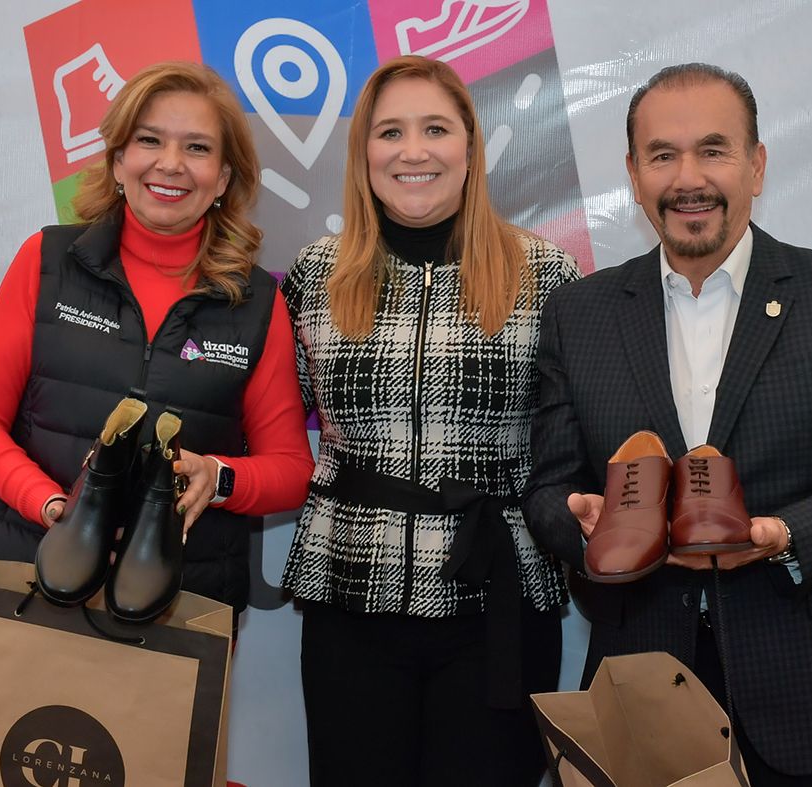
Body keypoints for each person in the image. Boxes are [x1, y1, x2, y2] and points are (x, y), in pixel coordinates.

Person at [523, 63, 812, 786]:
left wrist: (784, 534)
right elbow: (548, 488)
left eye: (713, 150)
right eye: (662, 155)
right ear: (634, 175)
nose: (688, 178)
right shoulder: (579, 313)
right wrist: (585, 525)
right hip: (646, 698)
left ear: (757, 165)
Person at [279, 55, 580, 787]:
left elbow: (571, 448)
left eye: (436, 129)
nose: (413, 151)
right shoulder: (315, 274)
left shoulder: (546, 275)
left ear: (471, 147)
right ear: (364, 153)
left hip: (500, 605)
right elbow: (272, 427)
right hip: (351, 593)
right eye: (390, 132)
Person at [0, 61, 314, 621]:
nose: (170, 163)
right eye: (149, 140)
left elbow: (290, 469)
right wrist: (56, 509)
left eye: (197, 147)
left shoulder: (257, 302)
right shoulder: (47, 261)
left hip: (181, 601)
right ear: (118, 160)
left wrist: (219, 478)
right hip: (21, 577)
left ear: (223, 178)